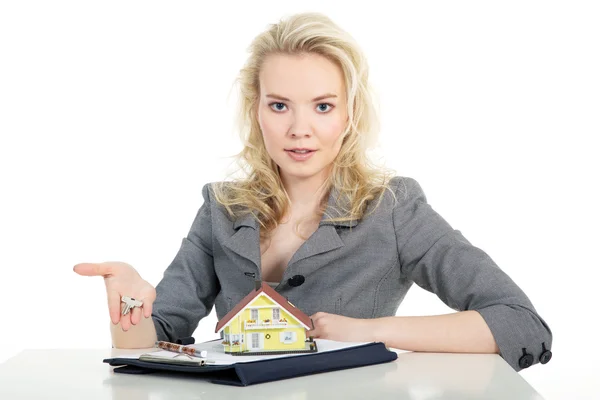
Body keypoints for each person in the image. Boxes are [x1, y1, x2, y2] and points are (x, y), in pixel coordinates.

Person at [73, 12, 552, 371]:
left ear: (349, 115)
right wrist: (132, 306)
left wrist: (367, 334)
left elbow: (519, 322)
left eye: (322, 106)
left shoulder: (394, 208)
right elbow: (151, 343)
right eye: (279, 105)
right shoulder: (220, 209)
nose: (300, 129)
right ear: (256, 111)